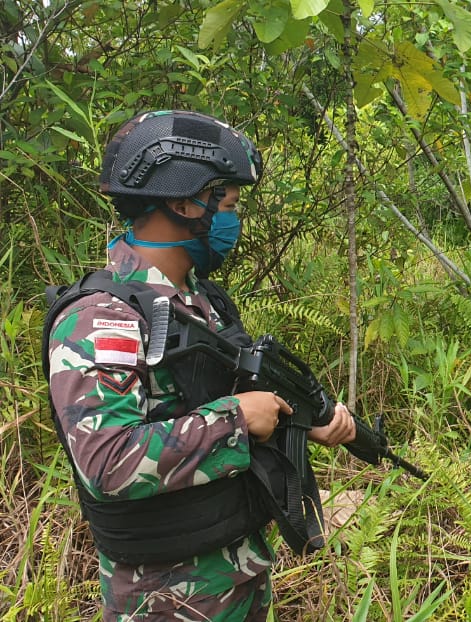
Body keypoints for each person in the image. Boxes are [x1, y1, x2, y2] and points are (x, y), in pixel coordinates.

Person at [44, 110, 356, 621]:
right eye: (228, 203)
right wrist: (236, 419)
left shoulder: (202, 301)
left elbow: (215, 400)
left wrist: (300, 420)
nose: (233, 220)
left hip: (238, 568)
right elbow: (107, 462)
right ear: (183, 201)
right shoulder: (102, 317)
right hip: (166, 595)